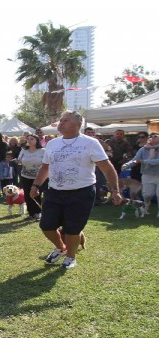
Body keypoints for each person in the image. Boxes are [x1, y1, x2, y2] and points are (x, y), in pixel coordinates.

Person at [31, 111, 122, 269]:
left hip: (81, 192)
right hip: (55, 191)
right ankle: (60, 248)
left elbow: (107, 168)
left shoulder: (90, 143)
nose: (61, 122)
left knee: (73, 228)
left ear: (78, 124)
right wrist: (36, 185)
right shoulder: (52, 144)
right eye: (61, 120)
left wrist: (115, 190)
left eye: (66, 120)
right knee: (46, 225)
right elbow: (45, 167)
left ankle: (71, 257)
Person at [123, 133, 159, 217]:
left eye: (155, 137)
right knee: (147, 195)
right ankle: (146, 206)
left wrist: (143, 161)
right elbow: (135, 159)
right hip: (147, 175)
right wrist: (127, 165)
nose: (152, 138)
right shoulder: (143, 149)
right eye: (151, 137)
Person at [17, 134, 45, 221]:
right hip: (25, 175)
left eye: (32, 139)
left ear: (37, 141)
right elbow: (19, 161)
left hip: (38, 176)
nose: (29, 141)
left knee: (36, 194)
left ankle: (38, 213)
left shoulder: (42, 151)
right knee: (27, 195)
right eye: (28, 139)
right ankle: (31, 213)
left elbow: (46, 163)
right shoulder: (23, 151)